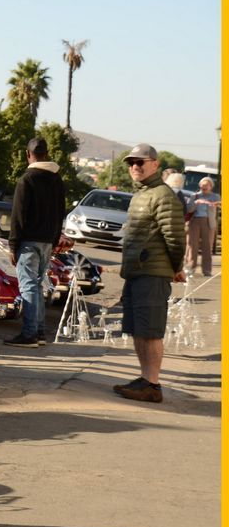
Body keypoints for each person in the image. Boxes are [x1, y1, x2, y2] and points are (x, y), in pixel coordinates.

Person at [114, 144, 189, 403]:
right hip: (136, 272)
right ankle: (145, 379)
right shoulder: (141, 194)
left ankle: (153, 385)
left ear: (155, 164)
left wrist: (176, 268)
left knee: (151, 330)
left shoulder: (162, 195)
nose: (135, 166)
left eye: (140, 162)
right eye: (131, 162)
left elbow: (176, 239)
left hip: (152, 274)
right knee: (138, 328)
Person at [6, 138, 67, 348]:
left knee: (28, 286)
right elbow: (61, 212)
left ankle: (30, 333)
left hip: (28, 242)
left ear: (28, 154)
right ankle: (39, 332)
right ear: (46, 154)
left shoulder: (27, 179)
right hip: (47, 242)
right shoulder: (56, 179)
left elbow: (18, 217)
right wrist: (55, 238)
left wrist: (13, 245)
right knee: (37, 285)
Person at [186, 176, 217, 277]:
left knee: (207, 247)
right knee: (192, 246)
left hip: (209, 222)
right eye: (202, 185)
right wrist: (195, 203)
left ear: (211, 186)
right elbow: (189, 210)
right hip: (194, 221)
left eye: (206, 186)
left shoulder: (215, 196)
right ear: (199, 185)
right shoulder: (194, 196)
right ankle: (190, 269)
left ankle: (207, 270)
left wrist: (213, 204)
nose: (204, 187)